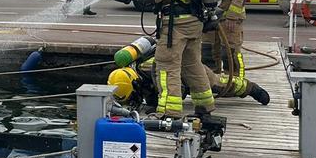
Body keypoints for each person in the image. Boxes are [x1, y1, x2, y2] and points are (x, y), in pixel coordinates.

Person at [109, 0, 215, 117]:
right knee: (193, 66)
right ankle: (204, 106)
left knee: (167, 68)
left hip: (177, 29)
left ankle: (168, 111)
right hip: (193, 24)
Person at [109, 55, 269, 110]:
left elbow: (177, 89)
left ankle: (252, 89)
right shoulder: (140, 73)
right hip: (177, 64)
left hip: (188, 67)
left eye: (132, 96)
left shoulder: (152, 72)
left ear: (135, 85)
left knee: (219, 84)